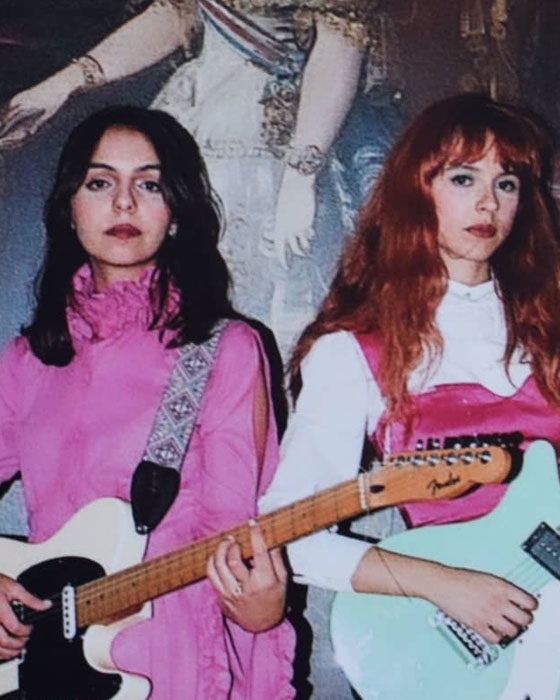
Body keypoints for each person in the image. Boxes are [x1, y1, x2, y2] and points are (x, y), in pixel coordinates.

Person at [260, 92, 560, 678]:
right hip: (470, 650)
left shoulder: (550, 329)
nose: (488, 202)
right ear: (416, 189)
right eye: (463, 178)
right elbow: (289, 532)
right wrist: (444, 585)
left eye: (507, 183)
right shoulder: (352, 351)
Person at [0, 105, 295, 698]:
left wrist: (260, 603)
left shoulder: (225, 350)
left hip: (174, 657)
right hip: (46, 669)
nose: (124, 203)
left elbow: (233, 535)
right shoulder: (26, 361)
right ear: (69, 208)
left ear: (176, 212)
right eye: (99, 182)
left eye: (150, 184)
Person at [0, 0, 404, 358]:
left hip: (273, 137)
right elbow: (178, 15)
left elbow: (339, 43)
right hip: (195, 112)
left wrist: (300, 175)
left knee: (258, 296)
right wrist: (63, 84)